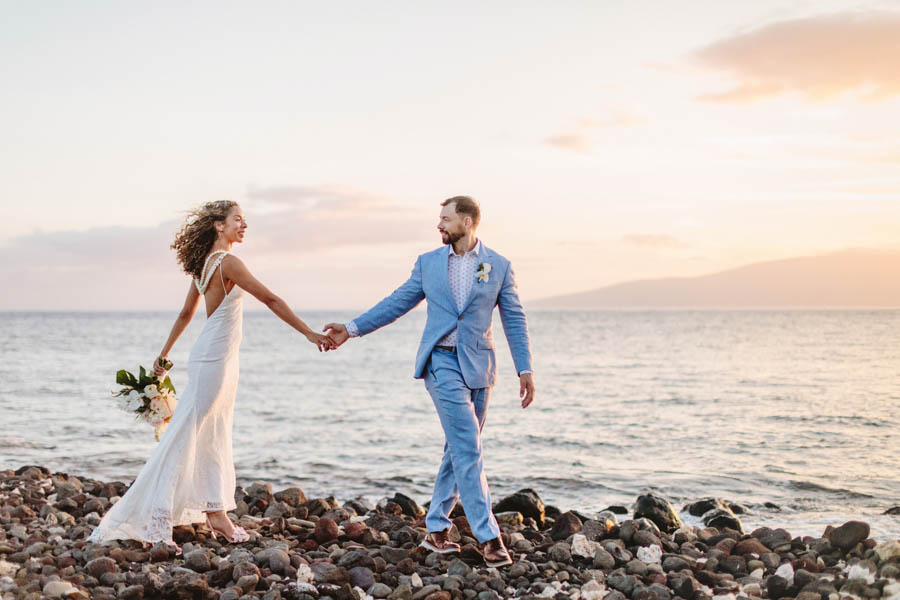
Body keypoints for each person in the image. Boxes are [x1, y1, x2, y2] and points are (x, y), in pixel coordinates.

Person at [88, 200, 335, 550]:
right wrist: (309, 333)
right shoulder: (228, 262)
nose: (244, 225)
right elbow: (270, 299)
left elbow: (186, 313)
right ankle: (155, 520)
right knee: (186, 432)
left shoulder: (204, 265)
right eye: (238, 220)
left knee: (214, 431)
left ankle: (215, 511)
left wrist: (165, 353)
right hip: (214, 359)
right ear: (220, 226)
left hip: (217, 358)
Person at [325, 195, 535, 567]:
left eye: (445, 218)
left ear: (468, 222)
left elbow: (514, 319)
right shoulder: (428, 264)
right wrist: (352, 329)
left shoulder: (498, 265)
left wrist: (525, 369)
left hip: (481, 368)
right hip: (441, 363)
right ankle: (489, 538)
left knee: (458, 448)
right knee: (468, 445)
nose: (438, 224)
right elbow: (396, 303)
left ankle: (436, 530)